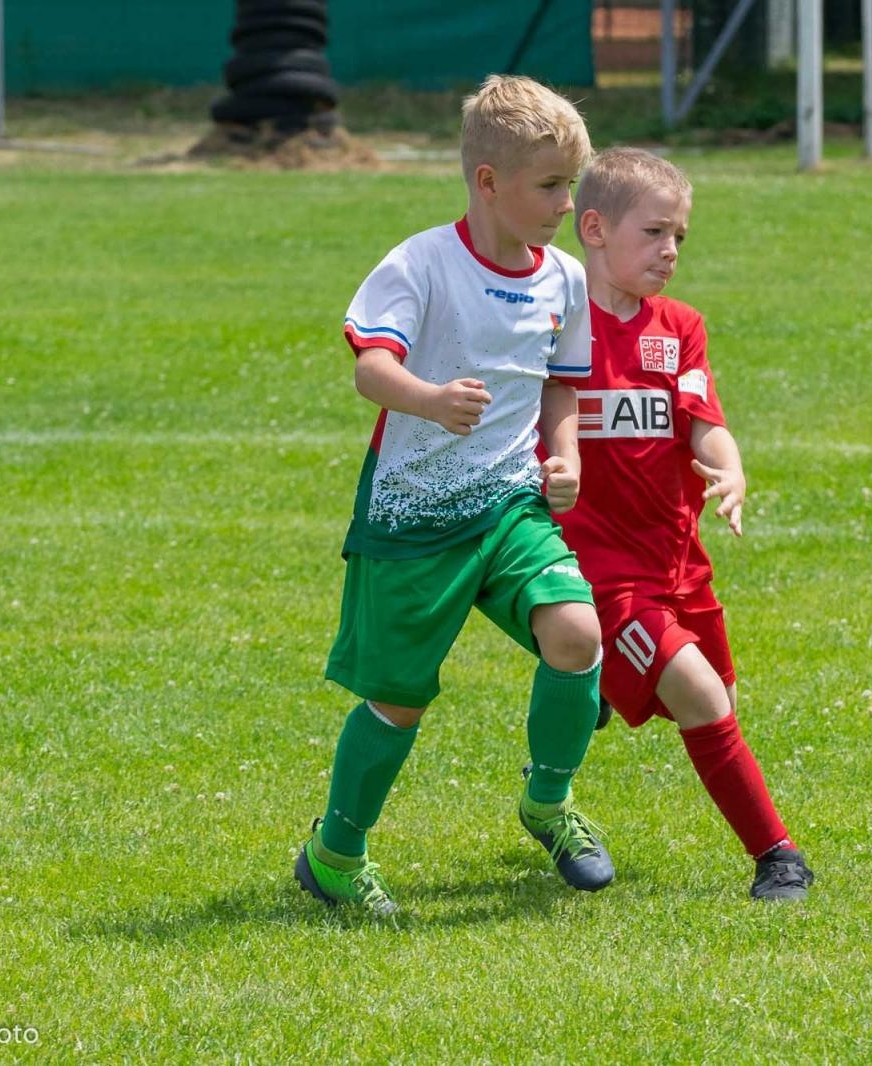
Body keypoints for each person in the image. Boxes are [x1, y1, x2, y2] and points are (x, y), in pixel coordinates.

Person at [294, 75, 612, 914]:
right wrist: (431, 399)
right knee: (398, 700)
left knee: (576, 633)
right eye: (549, 186)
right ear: (487, 182)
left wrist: (566, 455)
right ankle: (334, 854)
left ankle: (548, 802)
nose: (563, 202)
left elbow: (561, 387)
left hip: (510, 503)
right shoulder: (422, 262)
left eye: (570, 183)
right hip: (414, 517)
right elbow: (372, 368)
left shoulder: (566, 281)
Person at [556, 148, 814, 901]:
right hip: (606, 576)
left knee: (716, 702)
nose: (671, 251)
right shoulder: (558, 329)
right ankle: (779, 857)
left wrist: (728, 467)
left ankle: (591, 687)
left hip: (680, 564)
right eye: (655, 233)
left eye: (681, 237)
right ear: (595, 229)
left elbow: (704, 422)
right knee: (701, 695)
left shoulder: (680, 329)